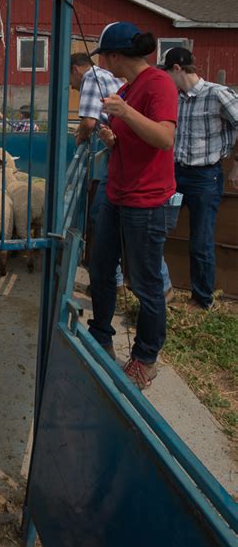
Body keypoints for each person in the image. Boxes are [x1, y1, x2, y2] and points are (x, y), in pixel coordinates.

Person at [87, 21, 178, 390]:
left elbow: (164, 138)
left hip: (145, 201)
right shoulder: (128, 87)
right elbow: (135, 141)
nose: (102, 62)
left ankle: (145, 357)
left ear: (114, 55)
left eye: (103, 56)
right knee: (100, 269)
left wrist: (124, 113)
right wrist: (113, 139)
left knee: (144, 283)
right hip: (118, 195)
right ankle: (101, 335)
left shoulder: (158, 84)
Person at [70, 52, 175, 300]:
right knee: (110, 222)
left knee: (130, 231)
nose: (72, 86)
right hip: (121, 153)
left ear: (76, 70)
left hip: (134, 170)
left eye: (70, 81)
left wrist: (81, 139)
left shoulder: (92, 78)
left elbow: (87, 122)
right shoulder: (123, 82)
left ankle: (157, 289)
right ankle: (117, 283)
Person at [159, 47, 238, 310]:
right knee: (156, 227)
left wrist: (237, 164)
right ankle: (161, 286)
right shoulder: (175, 98)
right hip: (175, 172)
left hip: (205, 176)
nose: (166, 78)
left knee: (201, 240)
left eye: (167, 72)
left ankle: (202, 299)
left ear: (177, 69)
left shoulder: (217, 94)